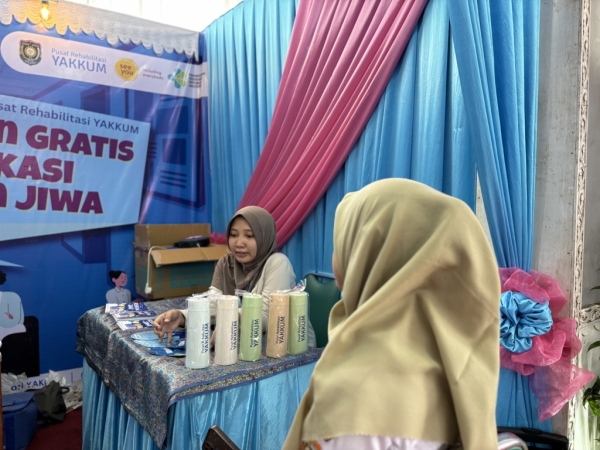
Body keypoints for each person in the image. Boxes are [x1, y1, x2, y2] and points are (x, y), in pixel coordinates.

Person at [282, 179, 500, 450]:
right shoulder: (456, 365)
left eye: (344, 244)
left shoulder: (360, 384)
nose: (335, 259)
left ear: (374, 253)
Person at [154, 206, 316, 347]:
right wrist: (182, 316)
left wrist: (230, 318)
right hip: (246, 346)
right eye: (233, 235)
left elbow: (269, 316)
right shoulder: (227, 263)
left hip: (290, 348)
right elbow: (214, 303)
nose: (239, 243)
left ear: (264, 236)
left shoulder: (278, 263)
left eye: (249, 236)